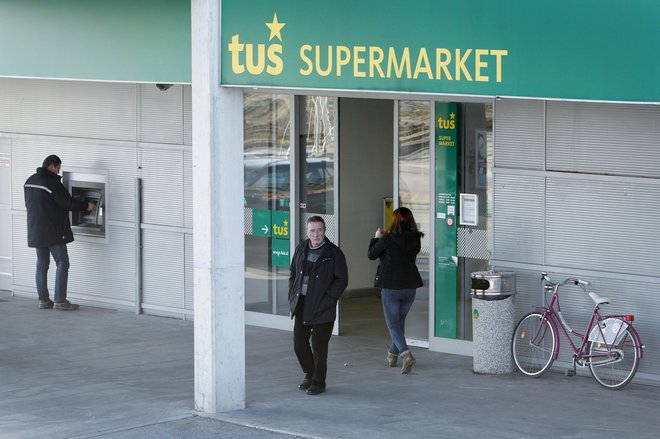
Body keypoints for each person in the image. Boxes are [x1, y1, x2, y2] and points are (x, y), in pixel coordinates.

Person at [24, 155, 95, 310]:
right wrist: (86, 206)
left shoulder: (30, 181)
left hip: (36, 229)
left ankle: (43, 300)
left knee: (42, 265)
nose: (58, 171)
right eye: (58, 168)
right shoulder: (52, 183)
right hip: (54, 230)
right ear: (51, 166)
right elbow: (67, 203)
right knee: (62, 263)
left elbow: (29, 204)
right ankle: (60, 301)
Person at [289, 216, 348, 395]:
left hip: (323, 308)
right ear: (307, 232)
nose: (316, 234)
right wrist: (292, 294)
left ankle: (318, 383)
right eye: (312, 230)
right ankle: (310, 373)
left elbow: (341, 280)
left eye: (319, 230)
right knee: (299, 344)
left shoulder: (334, 253)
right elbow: (293, 274)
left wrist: (328, 301)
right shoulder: (301, 249)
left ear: (324, 231)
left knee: (319, 348)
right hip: (302, 305)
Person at [368, 207, 424, 374]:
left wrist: (376, 238)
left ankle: (406, 355)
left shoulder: (387, 239)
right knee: (398, 323)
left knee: (393, 324)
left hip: (391, 287)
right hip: (410, 287)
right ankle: (392, 355)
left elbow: (371, 254)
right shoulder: (416, 239)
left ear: (395, 221)